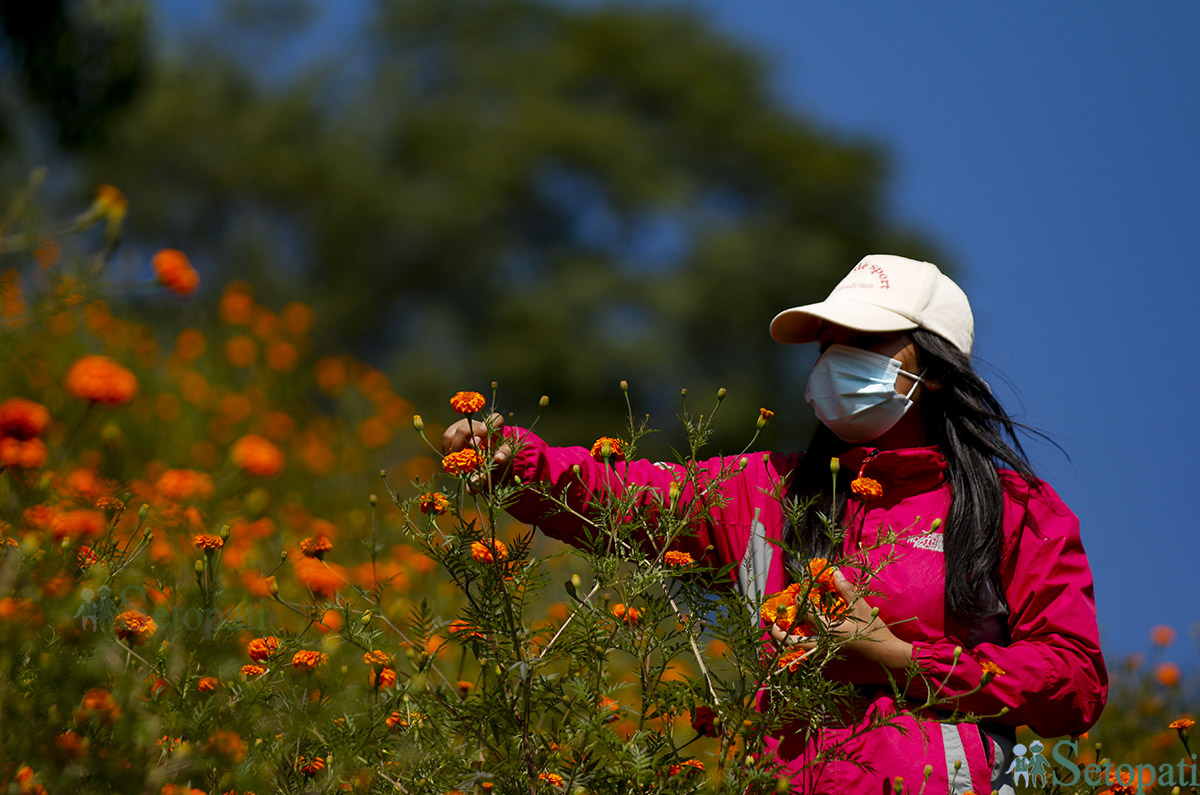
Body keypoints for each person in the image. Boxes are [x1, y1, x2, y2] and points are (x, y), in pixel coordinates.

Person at [442, 254, 1107, 795]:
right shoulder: (765, 489)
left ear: (932, 369)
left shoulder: (1012, 508)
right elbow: (627, 495)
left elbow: (1074, 682)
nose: (834, 362)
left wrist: (900, 660)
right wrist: (517, 464)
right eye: (826, 346)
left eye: (865, 341)